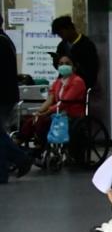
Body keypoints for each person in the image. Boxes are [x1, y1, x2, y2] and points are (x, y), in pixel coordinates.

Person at [25, 55, 88, 148]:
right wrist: (39, 112)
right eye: (61, 64)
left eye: (67, 63)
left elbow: (64, 102)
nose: (63, 66)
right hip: (58, 112)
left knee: (43, 121)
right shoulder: (58, 82)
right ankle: (20, 142)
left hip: (71, 115)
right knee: (30, 120)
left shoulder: (77, 81)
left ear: (74, 67)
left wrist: (46, 113)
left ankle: (40, 146)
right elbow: (50, 100)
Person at [0, 28, 27, 181]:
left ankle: (19, 159)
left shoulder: (1, 42)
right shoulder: (5, 40)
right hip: (7, 95)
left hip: (3, 96)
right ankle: (20, 158)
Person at [51, 15, 99, 92]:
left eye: (61, 33)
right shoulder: (62, 46)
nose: (60, 36)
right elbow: (57, 65)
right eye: (58, 34)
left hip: (82, 85)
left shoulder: (87, 45)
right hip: (64, 83)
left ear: (69, 28)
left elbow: (92, 69)